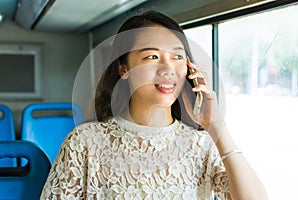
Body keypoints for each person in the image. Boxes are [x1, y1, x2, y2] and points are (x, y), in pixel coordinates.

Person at [40, 10, 268, 200]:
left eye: (177, 57)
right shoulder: (84, 143)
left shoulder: (202, 145)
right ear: (124, 69)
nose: (168, 68)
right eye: (152, 57)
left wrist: (216, 127)